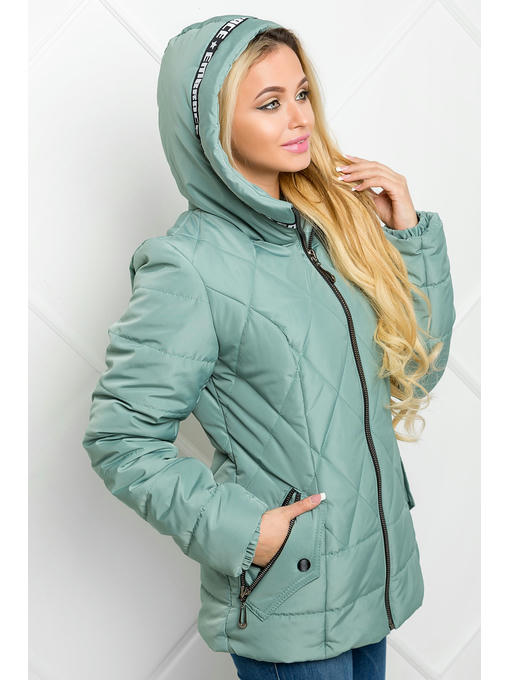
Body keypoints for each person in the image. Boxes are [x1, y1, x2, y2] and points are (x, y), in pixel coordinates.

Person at [82, 14, 456, 679]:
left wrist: (406, 238)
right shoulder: (188, 268)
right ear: (212, 127)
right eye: (270, 102)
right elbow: (120, 438)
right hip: (292, 598)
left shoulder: (331, 231)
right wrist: (250, 533)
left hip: (369, 583)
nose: (300, 117)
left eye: (302, 93)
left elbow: (414, 374)